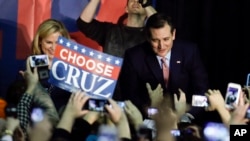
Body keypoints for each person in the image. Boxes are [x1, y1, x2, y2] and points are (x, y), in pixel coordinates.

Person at [119, 13, 209, 123]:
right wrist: (153, 112)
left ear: (173, 34)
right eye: (155, 40)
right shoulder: (134, 56)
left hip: (186, 118)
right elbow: (130, 98)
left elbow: (202, 91)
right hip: (150, 121)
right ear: (147, 37)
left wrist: (188, 115)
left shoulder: (189, 52)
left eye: (166, 39)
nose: (161, 46)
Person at [76, 0, 157, 100]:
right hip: (109, 97)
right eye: (132, 0)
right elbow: (83, 23)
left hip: (139, 98)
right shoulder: (110, 31)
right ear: (126, 8)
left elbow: (161, 25)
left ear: (147, 10)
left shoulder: (153, 37)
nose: (136, 1)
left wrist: (146, 4)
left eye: (140, 0)